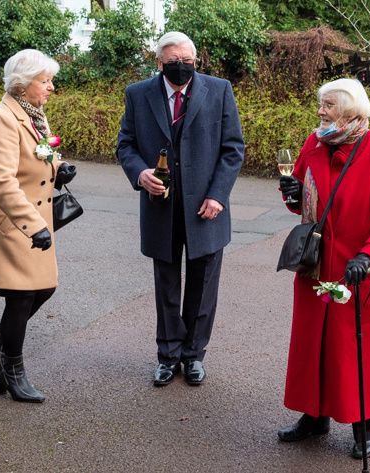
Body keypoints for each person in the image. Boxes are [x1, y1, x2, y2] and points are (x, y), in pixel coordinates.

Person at [277, 78, 370, 458]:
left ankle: (364, 424)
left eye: (328, 105)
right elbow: (301, 198)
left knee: (359, 349)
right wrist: (291, 194)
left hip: (362, 269)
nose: (320, 111)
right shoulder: (315, 142)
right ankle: (314, 416)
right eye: (320, 104)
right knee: (312, 344)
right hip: (317, 265)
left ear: (352, 109)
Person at [117, 32, 244, 387]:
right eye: (174, 62)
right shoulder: (138, 94)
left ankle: (193, 355)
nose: (182, 67)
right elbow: (125, 144)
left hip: (207, 207)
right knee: (167, 284)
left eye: (188, 61)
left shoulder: (219, 90)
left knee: (203, 285)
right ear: (159, 63)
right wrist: (140, 173)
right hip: (161, 205)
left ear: (195, 61)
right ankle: (168, 355)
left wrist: (218, 195)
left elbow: (232, 148)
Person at [0, 49, 76, 403]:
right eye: (45, 81)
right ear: (22, 84)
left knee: (44, 288)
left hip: (29, 219)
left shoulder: (33, 114)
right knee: (23, 295)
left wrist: (59, 169)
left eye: (50, 81)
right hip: (7, 221)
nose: (51, 87)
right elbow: (1, 182)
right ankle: (12, 369)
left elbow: (42, 153)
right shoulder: (0, 120)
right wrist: (34, 226)